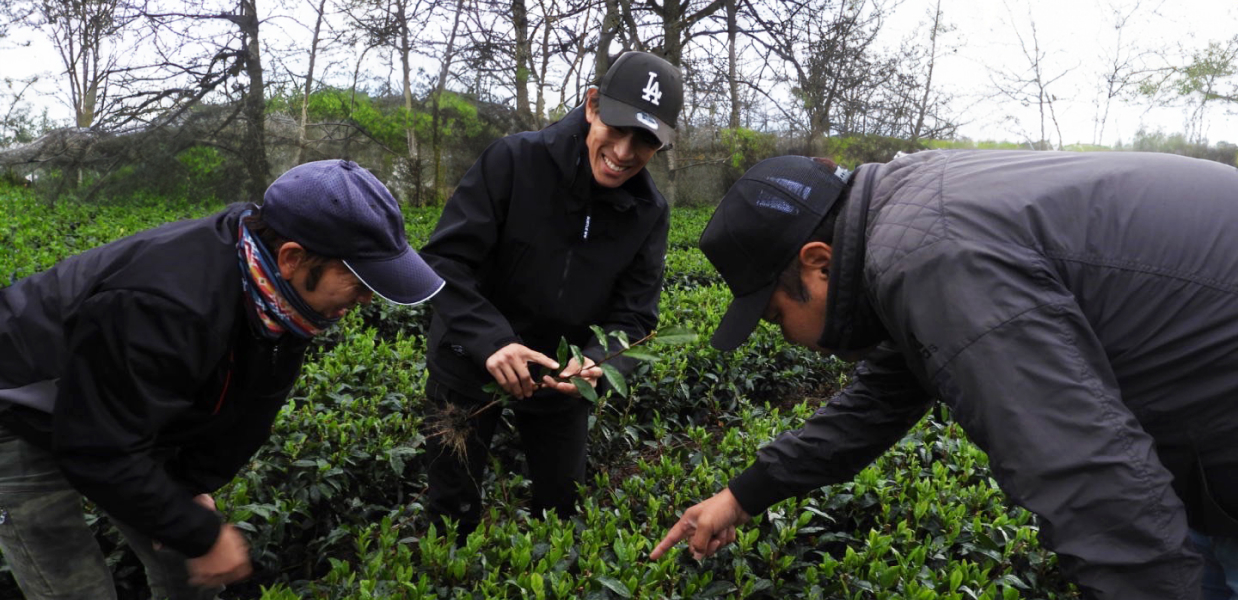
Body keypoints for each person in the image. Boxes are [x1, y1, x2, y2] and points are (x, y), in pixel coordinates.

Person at [650, 152, 1238, 599]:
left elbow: (1084, 474)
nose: (788, 338)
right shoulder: (906, 212)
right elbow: (881, 398)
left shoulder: (935, 256)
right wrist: (742, 495)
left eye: (777, 317)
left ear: (818, 263)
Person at [0, 159, 444, 600]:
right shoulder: (168, 305)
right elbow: (96, 447)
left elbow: (248, 408)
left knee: (187, 570)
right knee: (76, 586)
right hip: (19, 406)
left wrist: (189, 487)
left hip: (111, 413)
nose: (366, 300)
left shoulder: (281, 299)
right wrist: (196, 530)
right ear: (291, 257)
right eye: (358, 281)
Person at [417, 51, 683, 536]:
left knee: (561, 514)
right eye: (617, 128)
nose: (624, 152)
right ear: (592, 105)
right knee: (452, 514)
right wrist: (490, 341)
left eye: (645, 140)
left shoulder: (648, 211)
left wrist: (599, 363)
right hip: (468, 363)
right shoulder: (514, 161)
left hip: (561, 378)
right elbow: (444, 262)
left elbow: (636, 316)